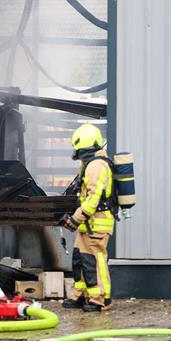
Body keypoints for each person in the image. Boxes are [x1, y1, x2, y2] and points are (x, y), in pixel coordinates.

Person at [59, 123, 113, 312]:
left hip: (97, 223)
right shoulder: (89, 164)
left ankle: (101, 299)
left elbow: (93, 198)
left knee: (95, 260)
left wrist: (75, 218)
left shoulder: (97, 166)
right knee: (80, 260)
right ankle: (80, 295)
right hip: (88, 223)